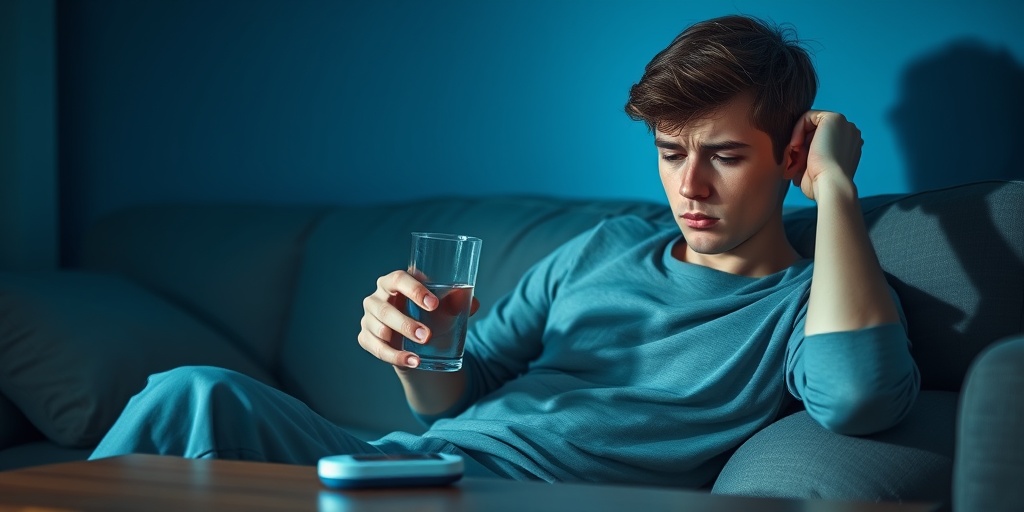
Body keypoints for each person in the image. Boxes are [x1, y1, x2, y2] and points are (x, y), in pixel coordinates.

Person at [90, 14, 920, 488]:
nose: (690, 187)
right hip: (413, 464)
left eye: (725, 156)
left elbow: (860, 400)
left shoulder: (800, 305)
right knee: (191, 393)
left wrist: (837, 188)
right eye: (671, 153)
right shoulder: (606, 247)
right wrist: (416, 351)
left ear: (789, 157)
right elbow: (456, 395)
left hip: (520, 497)